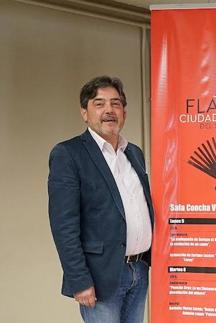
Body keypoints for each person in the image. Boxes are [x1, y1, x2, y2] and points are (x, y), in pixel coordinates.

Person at [48, 76, 154, 323]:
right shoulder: (69, 154)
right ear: (84, 113)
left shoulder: (134, 153)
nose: (109, 110)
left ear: (124, 112)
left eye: (115, 103)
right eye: (99, 103)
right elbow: (64, 225)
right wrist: (79, 280)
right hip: (100, 277)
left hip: (139, 270)